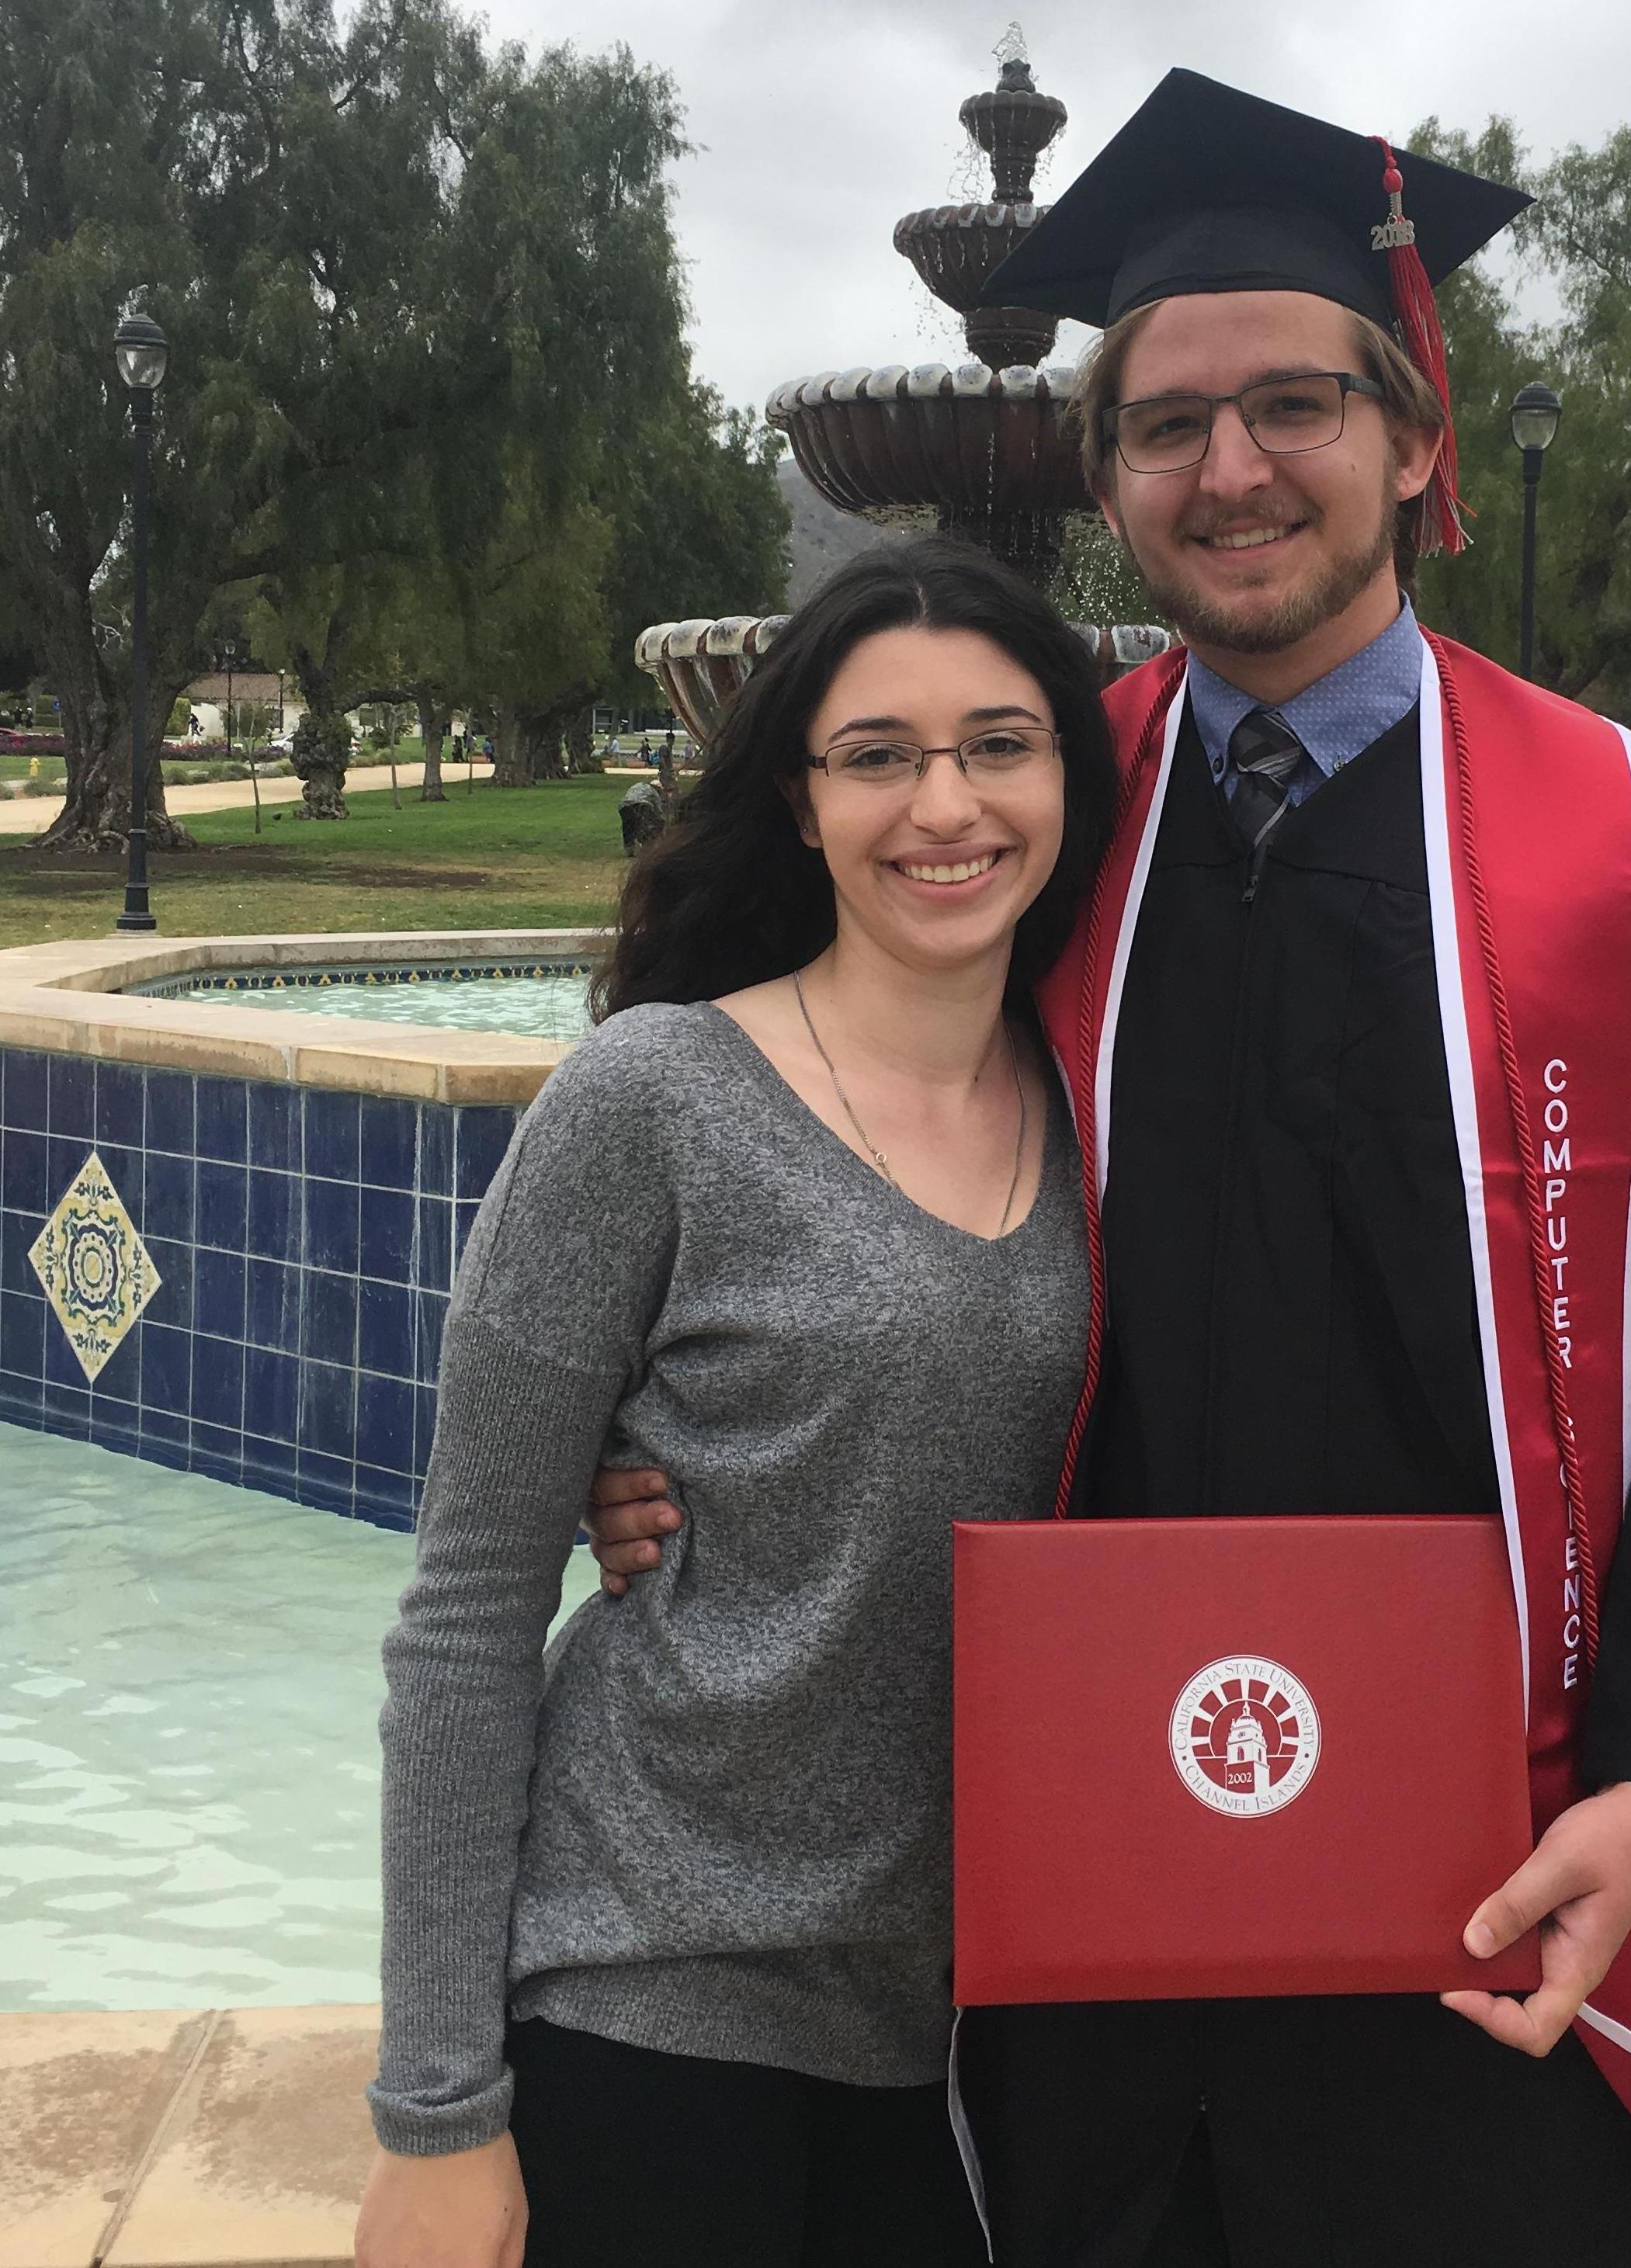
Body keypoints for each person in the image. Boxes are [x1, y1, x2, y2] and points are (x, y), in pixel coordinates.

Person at [589, 72, 1631, 2268]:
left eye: (1292, 404)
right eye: (1163, 423)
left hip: (1508, 1886)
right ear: (1106, 472)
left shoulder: (1629, 858)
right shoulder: (1029, 831)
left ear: (1415, 439)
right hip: (1083, 1878)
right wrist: (640, 1425)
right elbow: (751, 1123)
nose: (1229, 470)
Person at [353, 539, 1116, 2268]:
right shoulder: (659, 1101)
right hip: (649, 1983)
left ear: (1069, 772)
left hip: (946, 2024)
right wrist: (437, 2110)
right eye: (880, 755)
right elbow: (467, 1608)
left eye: (1000, 743)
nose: (947, 803)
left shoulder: (1106, 1116)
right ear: (800, 799)